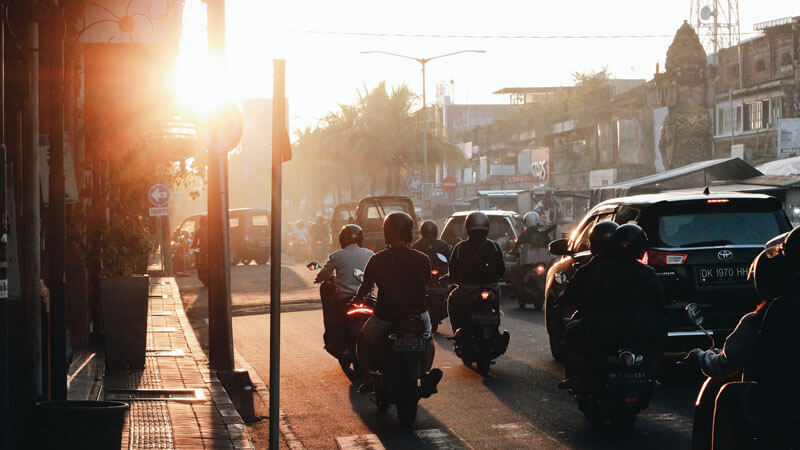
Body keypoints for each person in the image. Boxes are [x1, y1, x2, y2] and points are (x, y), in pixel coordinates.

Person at [686, 226, 800, 450]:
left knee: (727, 394)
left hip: (783, 400)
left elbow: (731, 365)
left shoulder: (772, 311)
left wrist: (699, 356)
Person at [562, 223, 666, 391]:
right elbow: (660, 302)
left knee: (571, 333)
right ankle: (652, 378)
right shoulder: (648, 273)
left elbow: (586, 296)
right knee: (660, 336)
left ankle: (577, 378)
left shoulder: (602, 270)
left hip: (604, 327)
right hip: (640, 329)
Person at [355, 212, 442, 394]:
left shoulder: (378, 259)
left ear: (387, 233)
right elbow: (427, 284)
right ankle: (425, 374)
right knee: (427, 341)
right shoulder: (422, 258)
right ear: (410, 233)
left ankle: (369, 377)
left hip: (386, 314)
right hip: (417, 313)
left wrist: (357, 298)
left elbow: (366, 286)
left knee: (363, 341)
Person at [558, 220, 619, 387]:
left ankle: (577, 378)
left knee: (570, 336)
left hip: (596, 323)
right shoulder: (636, 268)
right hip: (630, 323)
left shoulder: (588, 271)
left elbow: (569, 296)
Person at [314, 224, 374, 358]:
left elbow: (323, 275)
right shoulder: (370, 254)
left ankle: (331, 337)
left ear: (342, 239)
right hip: (367, 298)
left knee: (331, 314)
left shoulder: (337, 256)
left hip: (344, 298)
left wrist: (319, 278)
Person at [447, 211, 506, 332]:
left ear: (467, 227)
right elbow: (501, 270)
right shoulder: (494, 246)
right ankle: (495, 326)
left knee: (452, 300)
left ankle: (457, 332)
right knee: (496, 302)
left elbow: (453, 271)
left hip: (466, 289)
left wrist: (452, 278)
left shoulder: (459, 247)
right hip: (491, 288)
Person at [511, 212, 556, 298]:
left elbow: (516, 247)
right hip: (543, 262)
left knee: (513, 269)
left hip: (528, 264)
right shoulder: (544, 233)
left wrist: (513, 252)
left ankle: (519, 290)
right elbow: (551, 244)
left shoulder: (525, 234)